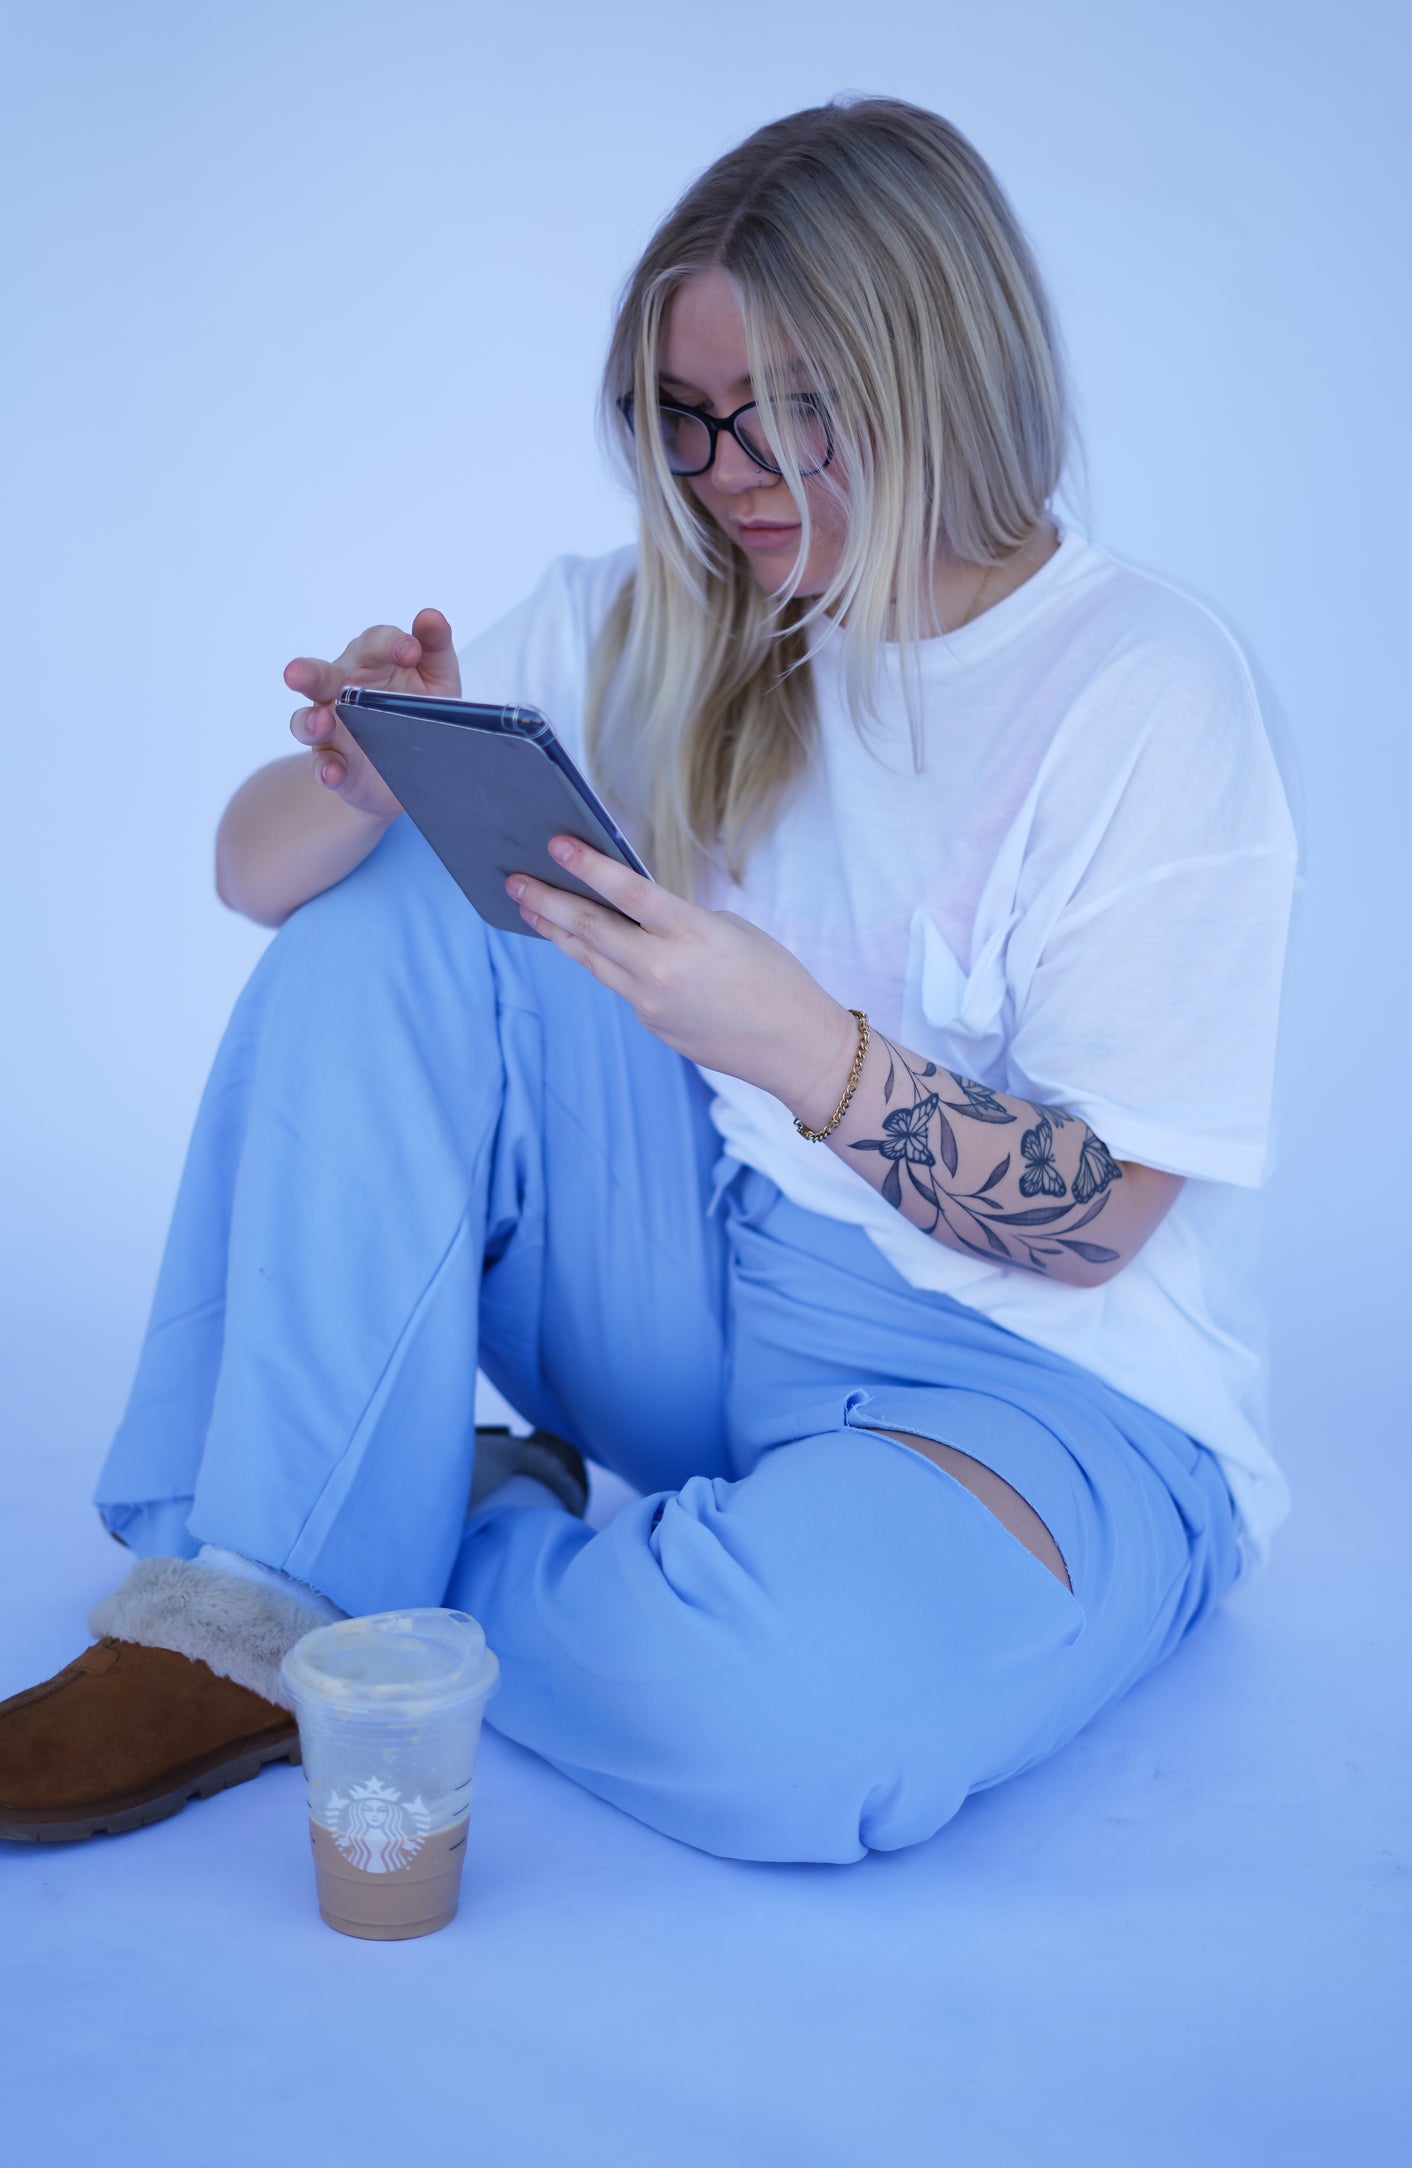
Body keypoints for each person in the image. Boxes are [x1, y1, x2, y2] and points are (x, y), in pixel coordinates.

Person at [0, 96, 1302, 1865]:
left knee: (784, 1731)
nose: (729, 479)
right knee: (394, 896)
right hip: (694, 1290)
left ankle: (384, 1540)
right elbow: (255, 881)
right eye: (682, 421)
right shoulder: (659, 617)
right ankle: (259, 1593)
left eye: (792, 420)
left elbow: (1100, 1225)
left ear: (942, 376)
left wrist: (809, 1051)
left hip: (1030, 1381)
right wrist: (358, 778)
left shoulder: (1142, 685)